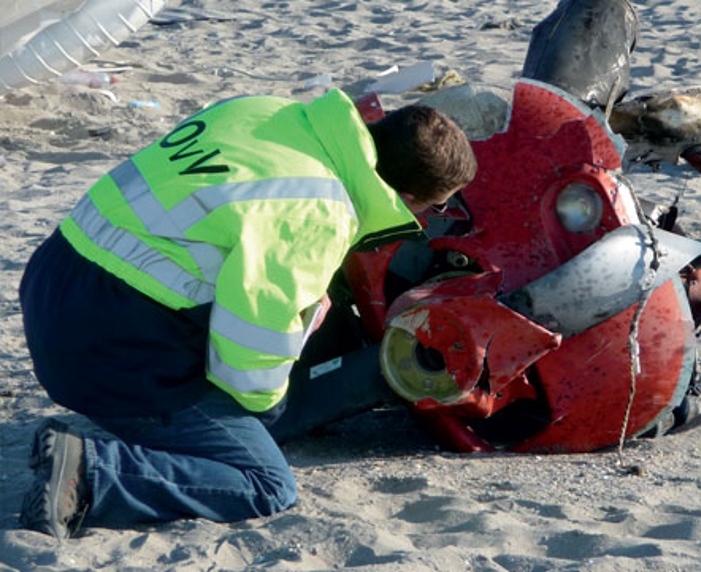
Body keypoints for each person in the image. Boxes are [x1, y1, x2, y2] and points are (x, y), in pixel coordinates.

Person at [18, 88, 477, 539]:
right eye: (438, 206)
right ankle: (90, 472)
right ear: (409, 197)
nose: (436, 214)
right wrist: (277, 398)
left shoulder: (268, 111)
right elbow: (249, 371)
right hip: (102, 345)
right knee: (266, 482)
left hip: (56, 278)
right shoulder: (317, 213)